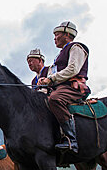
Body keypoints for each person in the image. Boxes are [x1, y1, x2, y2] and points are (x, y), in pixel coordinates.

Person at [38, 21, 90, 154]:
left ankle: (71, 140)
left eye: (57, 34)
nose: (54, 38)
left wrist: (50, 79)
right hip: (60, 87)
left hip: (72, 87)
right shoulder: (60, 54)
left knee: (55, 99)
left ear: (67, 34)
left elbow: (73, 69)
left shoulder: (76, 47)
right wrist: (45, 81)